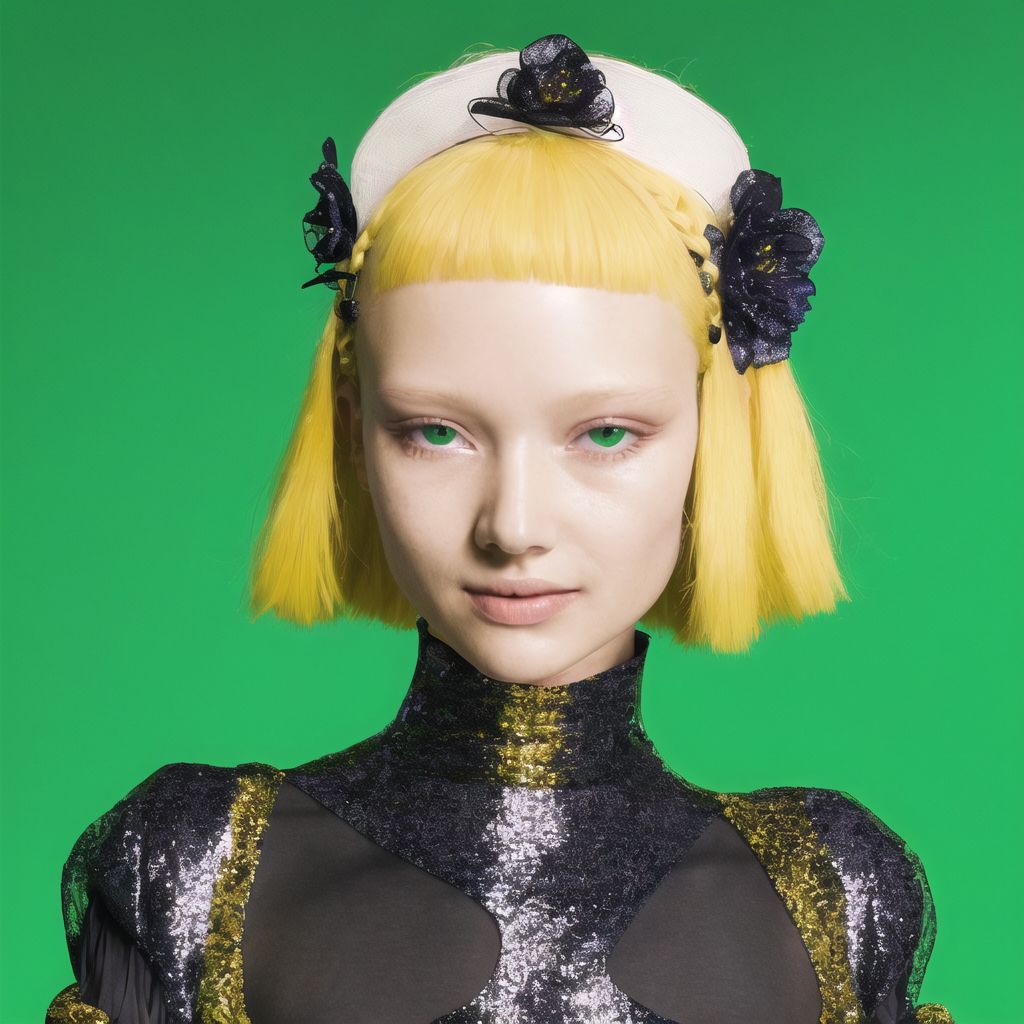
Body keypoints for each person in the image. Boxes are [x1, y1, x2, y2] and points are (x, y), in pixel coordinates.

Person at [45, 34, 956, 1024]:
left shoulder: (832, 894)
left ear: (717, 437)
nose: (513, 526)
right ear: (353, 431)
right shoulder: (196, 866)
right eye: (435, 432)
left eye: (605, 433)